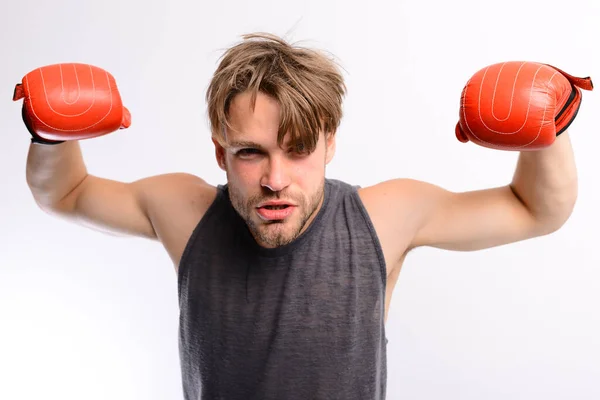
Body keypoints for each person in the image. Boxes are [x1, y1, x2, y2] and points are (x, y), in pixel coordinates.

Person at [17, 33, 591, 400]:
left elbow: (534, 209)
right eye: (250, 153)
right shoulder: (184, 210)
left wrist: (551, 130)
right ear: (220, 152)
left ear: (328, 145)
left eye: (298, 150)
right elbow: (64, 193)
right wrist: (50, 132)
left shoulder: (383, 217)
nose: (275, 178)